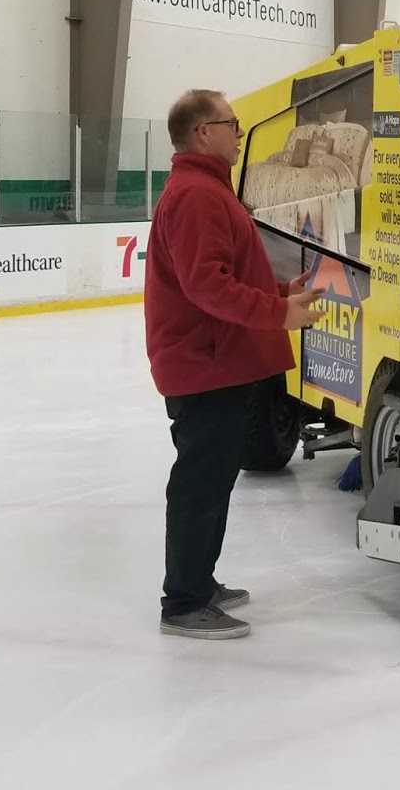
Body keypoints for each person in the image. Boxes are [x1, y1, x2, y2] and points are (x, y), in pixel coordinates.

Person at [145, 89, 325, 639]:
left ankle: (199, 580)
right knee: (201, 479)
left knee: (215, 474)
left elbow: (224, 275)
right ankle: (184, 601)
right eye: (232, 123)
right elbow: (206, 287)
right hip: (203, 362)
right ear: (203, 132)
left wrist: (278, 290)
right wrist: (277, 313)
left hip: (216, 359)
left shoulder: (206, 190)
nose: (240, 131)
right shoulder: (197, 196)